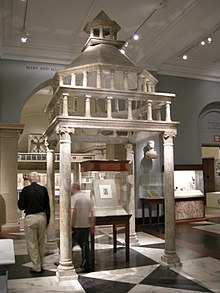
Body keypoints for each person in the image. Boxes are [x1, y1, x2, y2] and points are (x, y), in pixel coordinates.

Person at [17, 171, 50, 274]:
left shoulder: (25, 190)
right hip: (42, 217)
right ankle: (41, 264)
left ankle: (36, 266)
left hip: (30, 218)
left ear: (29, 179)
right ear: (38, 179)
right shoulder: (43, 190)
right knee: (41, 242)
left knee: (32, 243)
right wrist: (47, 220)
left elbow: (21, 206)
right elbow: (47, 206)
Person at [71, 182, 95, 272]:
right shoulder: (87, 197)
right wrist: (92, 224)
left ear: (74, 188)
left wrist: (70, 224)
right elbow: (92, 212)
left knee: (69, 244)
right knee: (85, 246)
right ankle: (87, 264)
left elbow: (72, 212)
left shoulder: (74, 198)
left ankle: (65, 261)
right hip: (85, 225)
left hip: (77, 225)